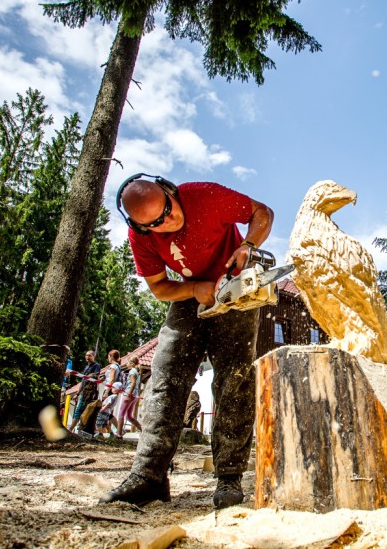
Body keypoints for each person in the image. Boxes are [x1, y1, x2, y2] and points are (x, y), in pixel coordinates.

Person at [99, 174, 272, 509]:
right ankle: (149, 474)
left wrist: (248, 247)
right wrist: (194, 290)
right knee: (165, 375)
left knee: (234, 379)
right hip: (189, 294)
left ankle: (229, 478)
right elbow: (160, 287)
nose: (169, 220)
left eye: (168, 209)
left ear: (168, 190)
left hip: (233, 289)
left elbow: (262, 212)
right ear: (142, 227)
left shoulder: (205, 196)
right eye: (156, 223)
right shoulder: (141, 239)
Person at [68, 351, 101, 433]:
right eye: (86, 355)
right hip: (83, 392)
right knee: (80, 411)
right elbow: (83, 381)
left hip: (89, 393)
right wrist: (77, 393)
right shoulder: (86, 367)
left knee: (81, 411)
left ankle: (71, 429)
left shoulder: (96, 366)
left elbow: (95, 377)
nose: (87, 357)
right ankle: (77, 429)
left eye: (89, 355)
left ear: (93, 356)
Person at [117, 356, 142, 437]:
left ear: (131, 363)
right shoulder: (137, 372)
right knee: (129, 416)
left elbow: (133, 383)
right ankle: (142, 430)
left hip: (129, 394)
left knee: (121, 414)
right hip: (135, 395)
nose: (127, 364)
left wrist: (128, 395)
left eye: (128, 362)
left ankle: (119, 434)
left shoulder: (132, 371)